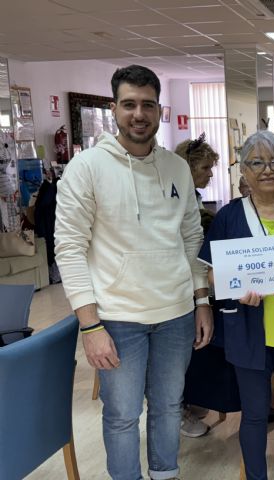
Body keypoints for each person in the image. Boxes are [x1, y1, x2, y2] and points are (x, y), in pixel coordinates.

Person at [55, 65, 212, 480]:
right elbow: (69, 249)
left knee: (167, 407)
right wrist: (90, 327)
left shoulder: (176, 169)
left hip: (176, 315)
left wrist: (201, 301)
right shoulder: (87, 168)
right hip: (117, 319)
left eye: (147, 104)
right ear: (114, 109)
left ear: (159, 109)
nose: (138, 113)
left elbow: (191, 239)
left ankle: (165, 474)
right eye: (129, 104)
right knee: (123, 415)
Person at [198, 130, 274, 480]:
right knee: (253, 414)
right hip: (246, 329)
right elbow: (210, 276)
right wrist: (233, 289)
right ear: (244, 171)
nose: (267, 170)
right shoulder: (228, 218)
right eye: (257, 162)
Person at [174, 134, 229, 438]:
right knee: (182, 353)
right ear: (188, 168)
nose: (210, 173)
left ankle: (196, 397)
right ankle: (179, 409)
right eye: (206, 168)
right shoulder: (176, 200)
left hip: (196, 282)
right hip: (178, 288)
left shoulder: (192, 197)